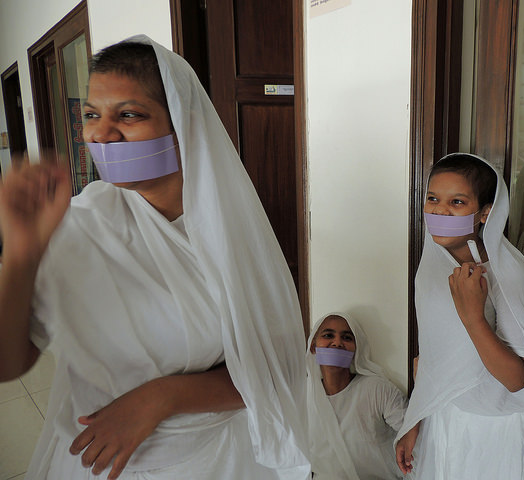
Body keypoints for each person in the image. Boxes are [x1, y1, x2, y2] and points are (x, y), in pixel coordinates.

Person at [0, 36, 310, 479]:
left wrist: (160, 398)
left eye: (129, 114)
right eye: (91, 115)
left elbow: (275, 367)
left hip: (216, 459)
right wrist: (21, 252)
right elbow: (7, 365)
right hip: (100, 461)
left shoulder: (228, 231)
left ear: (182, 124)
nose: (100, 134)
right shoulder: (77, 226)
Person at [394, 153, 524, 479]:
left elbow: (516, 378)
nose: (439, 210)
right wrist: (416, 417)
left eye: (457, 202)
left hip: (494, 431)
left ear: (484, 213)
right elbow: (436, 357)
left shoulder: (506, 276)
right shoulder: (431, 268)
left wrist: (473, 317)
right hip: (445, 419)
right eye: (433, 198)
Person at [307, 312, 407, 479]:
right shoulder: (302, 396)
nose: (337, 343)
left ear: (356, 348)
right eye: (328, 335)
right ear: (313, 346)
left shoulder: (376, 389)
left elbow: (413, 435)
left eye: (346, 338)